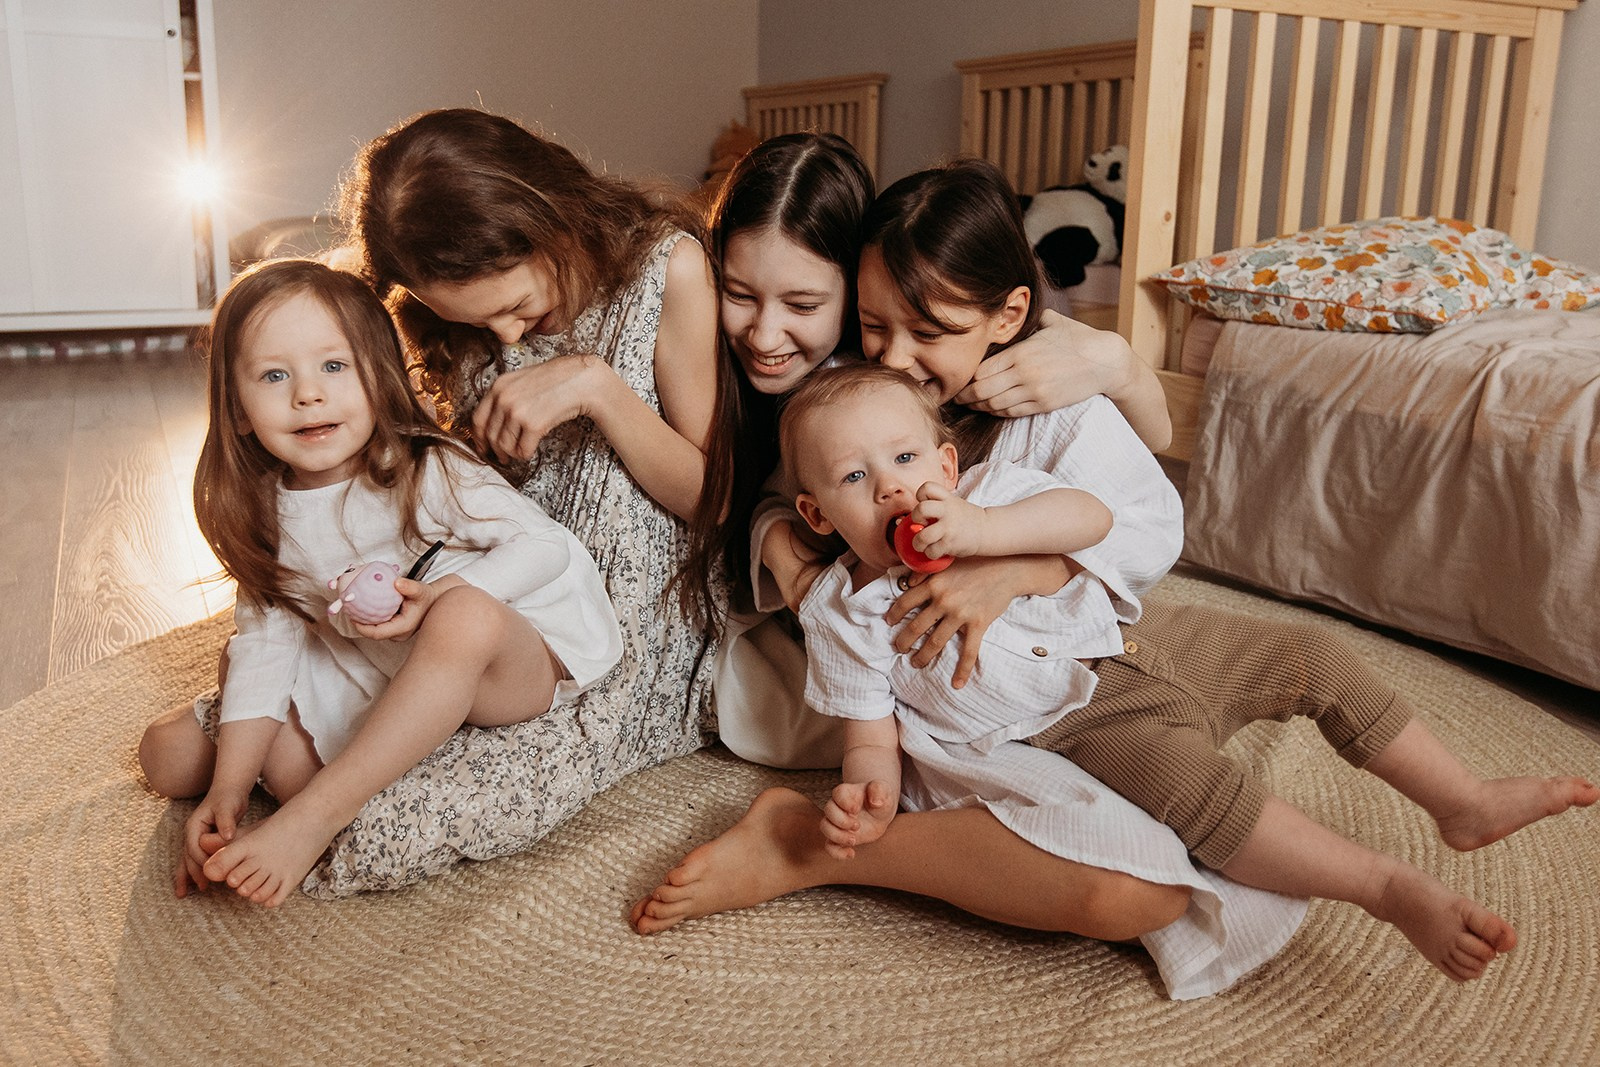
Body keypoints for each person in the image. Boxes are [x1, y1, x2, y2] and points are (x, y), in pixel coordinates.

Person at [636, 159, 1599, 994]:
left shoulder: (998, 447)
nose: (895, 356)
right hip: (1055, 717)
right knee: (1192, 812)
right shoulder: (852, 430)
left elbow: (1116, 515)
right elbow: (852, 689)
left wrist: (1012, 541)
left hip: (1120, 640)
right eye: (875, 325)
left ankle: (1460, 800)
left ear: (1008, 320)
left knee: (1310, 655)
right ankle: (1387, 885)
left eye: (926, 329)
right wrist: (855, 748)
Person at [143, 108, 724, 897]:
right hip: (445, 607)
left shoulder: (666, 268)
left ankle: (317, 803)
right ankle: (320, 759)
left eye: (514, 306)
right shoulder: (435, 330)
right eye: (476, 322)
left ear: (545, 216)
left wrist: (596, 388)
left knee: (394, 802)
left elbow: (712, 499)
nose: (508, 338)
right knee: (182, 743)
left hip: (583, 620)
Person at [139, 259, 623, 907]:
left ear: (378, 377)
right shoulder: (267, 511)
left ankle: (318, 813)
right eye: (275, 375)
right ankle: (315, 771)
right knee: (168, 753)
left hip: (515, 661)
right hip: (385, 666)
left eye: (333, 366)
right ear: (239, 410)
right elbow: (266, 647)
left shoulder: (425, 467)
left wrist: (443, 595)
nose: (308, 394)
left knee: (463, 615)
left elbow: (544, 548)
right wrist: (227, 791)